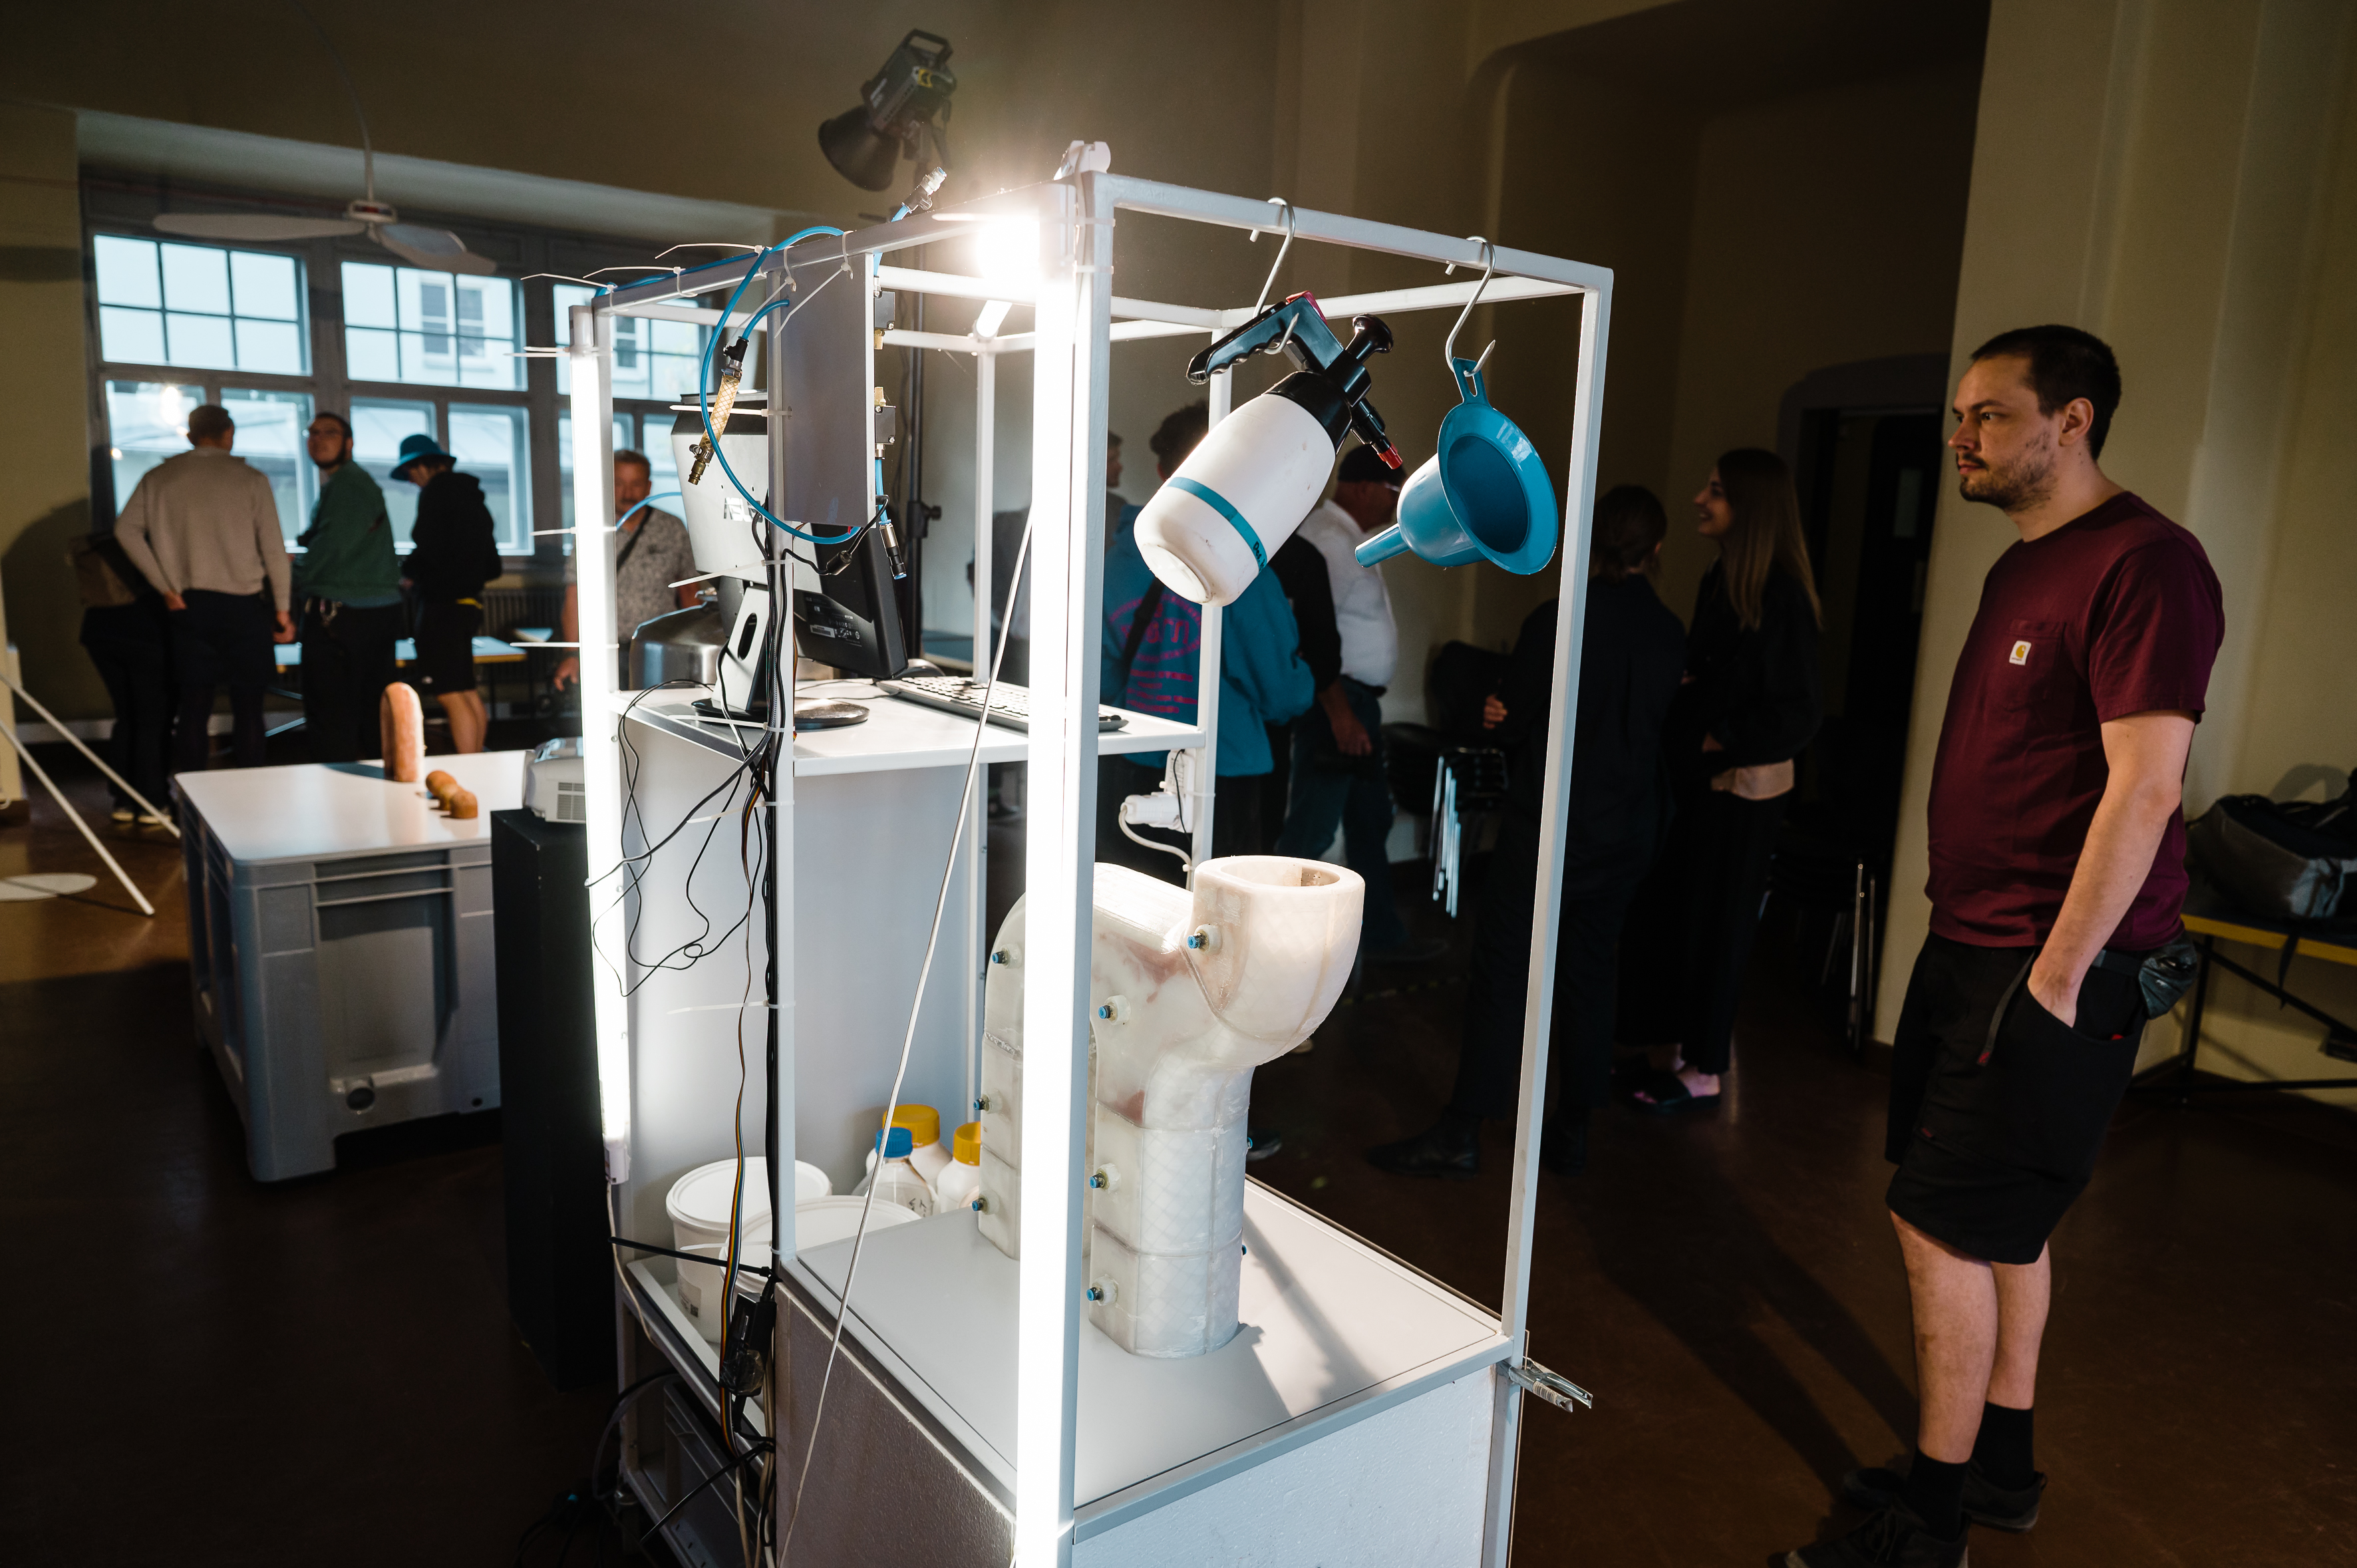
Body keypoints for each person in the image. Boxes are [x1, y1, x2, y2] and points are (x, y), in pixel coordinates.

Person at [1786, 329, 2222, 1568]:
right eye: (1958, 415)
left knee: (1935, 1224)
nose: (1958, 436)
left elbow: (2144, 789)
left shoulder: (2147, 563)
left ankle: (1928, 1525)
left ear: (2070, 420)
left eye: (1987, 414)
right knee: (2002, 1225)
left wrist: (2054, 980)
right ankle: (1998, 1465)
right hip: (1974, 943)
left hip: (2046, 962)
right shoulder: (2022, 564)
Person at [1368, 486, 1687, 1179]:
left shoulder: (1559, 618)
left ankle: (1463, 1130)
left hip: (1550, 824)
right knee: (1590, 972)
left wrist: (1499, 712)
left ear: (1590, 538)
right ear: (1657, 549)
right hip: (1626, 829)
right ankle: (1572, 1130)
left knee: (1504, 968)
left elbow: (1510, 721)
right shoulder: (1670, 632)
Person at [1621, 448, 1823, 1112]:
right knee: (1687, 916)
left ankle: (1705, 1068)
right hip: (1704, 782)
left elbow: (1797, 712)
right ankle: (1679, 1050)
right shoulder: (1722, 578)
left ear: (1749, 505)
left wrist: (1718, 736)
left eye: (1715, 490)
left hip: (1743, 790)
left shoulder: (1782, 595)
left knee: (1721, 925)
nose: (1699, 500)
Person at [1099, 401, 1315, 873]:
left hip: (1130, 766)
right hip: (1224, 773)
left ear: (1163, 472)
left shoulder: (1117, 561)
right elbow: (1281, 692)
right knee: (1214, 912)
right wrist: (1305, 681)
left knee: (1131, 904)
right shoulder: (1245, 570)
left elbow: (1101, 678)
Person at [1273, 444, 1443, 965]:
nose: (1395, 504)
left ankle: (1381, 936)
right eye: (1392, 492)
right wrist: (1341, 713)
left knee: (1369, 822)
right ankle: (1272, 944)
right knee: (1312, 829)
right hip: (1337, 705)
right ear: (1362, 488)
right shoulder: (1330, 540)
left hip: (1354, 704)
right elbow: (1312, 636)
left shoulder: (1347, 537)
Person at [112, 402, 294, 774]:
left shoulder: (159, 477)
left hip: (187, 605)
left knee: (194, 708)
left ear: (190, 435)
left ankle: (191, 798)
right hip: (244, 607)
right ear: (229, 434)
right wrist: (282, 610)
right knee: (249, 708)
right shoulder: (252, 479)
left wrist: (165, 587)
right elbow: (274, 550)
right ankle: (254, 791)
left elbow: (124, 531)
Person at [293, 412, 402, 763]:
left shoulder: (349, 485)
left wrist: (294, 572)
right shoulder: (347, 484)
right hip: (365, 614)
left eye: (330, 432)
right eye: (312, 433)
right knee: (368, 713)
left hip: (347, 616)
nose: (318, 439)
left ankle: (339, 789)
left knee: (334, 717)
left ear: (349, 443)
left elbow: (334, 548)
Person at [391, 433, 502, 752]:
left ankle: (468, 769)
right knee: (466, 690)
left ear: (422, 465)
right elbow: (492, 566)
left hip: (442, 609)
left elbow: (429, 550)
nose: (411, 481)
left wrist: (410, 573)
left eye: (410, 472)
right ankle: (478, 763)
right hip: (469, 606)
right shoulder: (472, 498)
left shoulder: (436, 495)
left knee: (449, 693)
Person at [552, 451, 699, 692]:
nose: (628, 493)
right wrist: (572, 654)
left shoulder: (671, 527)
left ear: (648, 487)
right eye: (619, 483)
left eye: (636, 484)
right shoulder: (592, 528)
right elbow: (575, 594)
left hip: (659, 647)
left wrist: (693, 647)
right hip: (604, 648)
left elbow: (690, 590)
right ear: (607, 485)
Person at [74, 528, 173, 824]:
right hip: (144, 633)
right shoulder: (151, 547)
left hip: (98, 632)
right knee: (152, 720)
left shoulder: (109, 545)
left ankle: (124, 800)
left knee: (126, 716)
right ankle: (153, 801)